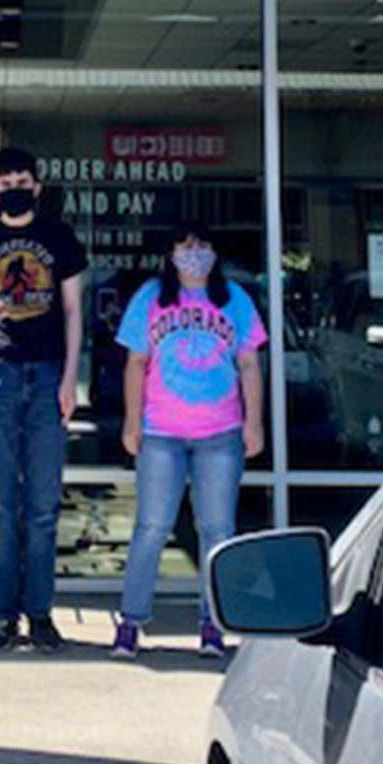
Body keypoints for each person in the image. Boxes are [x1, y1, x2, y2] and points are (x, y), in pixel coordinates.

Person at [111, 222, 266, 660]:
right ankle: (130, 621)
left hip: (221, 433)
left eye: (202, 244)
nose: (193, 252)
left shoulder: (235, 300)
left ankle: (212, 624)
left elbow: (250, 364)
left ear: (215, 252)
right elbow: (135, 363)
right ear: (171, 252)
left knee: (217, 530)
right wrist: (132, 421)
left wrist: (253, 423)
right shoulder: (150, 297)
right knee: (152, 527)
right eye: (185, 244)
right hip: (161, 432)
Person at [0, 147, 87, 652]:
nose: (15, 186)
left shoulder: (60, 237)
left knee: (43, 506)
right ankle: (2, 614)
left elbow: (73, 311)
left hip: (49, 375)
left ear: (37, 187)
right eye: (6, 180)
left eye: (24, 179)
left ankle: (41, 613)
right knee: (0, 504)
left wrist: (71, 376)